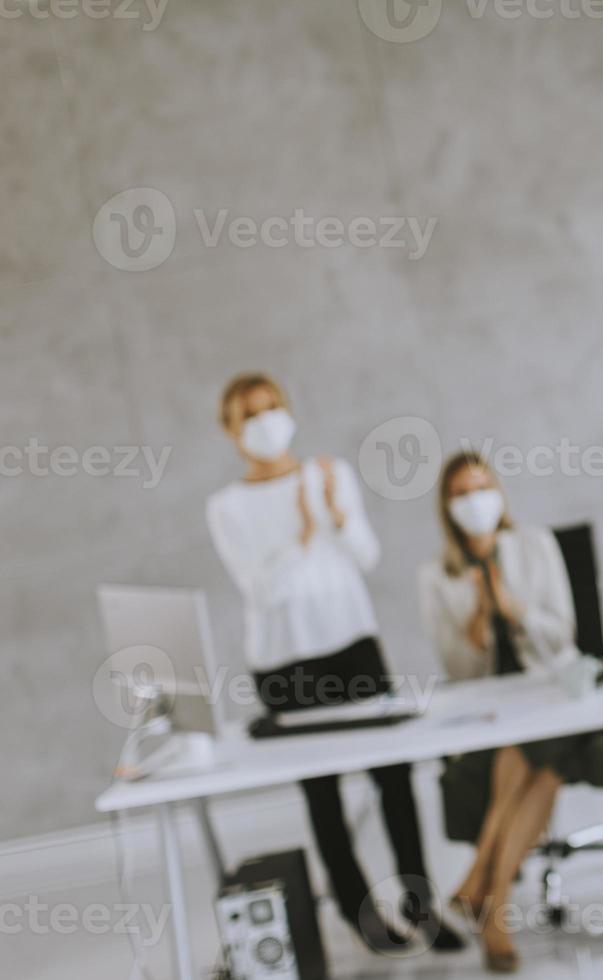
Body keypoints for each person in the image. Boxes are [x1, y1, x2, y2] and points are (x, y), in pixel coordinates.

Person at [205, 372, 462, 955]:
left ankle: (421, 903)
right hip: (283, 662)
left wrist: (334, 514)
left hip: (353, 644)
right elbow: (263, 592)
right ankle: (358, 910)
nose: (266, 422)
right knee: (323, 792)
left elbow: (364, 556)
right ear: (230, 431)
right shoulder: (227, 507)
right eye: (250, 415)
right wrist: (299, 530)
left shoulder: (331, 474)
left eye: (273, 408)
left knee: (393, 774)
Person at [418, 449, 603, 972]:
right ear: (446, 506)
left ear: (499, 493)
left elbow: (564, 637)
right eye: (461, 494)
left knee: (532, 746)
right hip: (493, 707)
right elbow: (459, 671)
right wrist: (480, 624)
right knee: (540, 766)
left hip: (554, 693)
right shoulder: (436, 576)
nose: (474, 501)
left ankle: (484, 887)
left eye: (481, 488)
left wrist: (515, 610)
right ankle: (493, 899)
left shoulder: (534, 546)